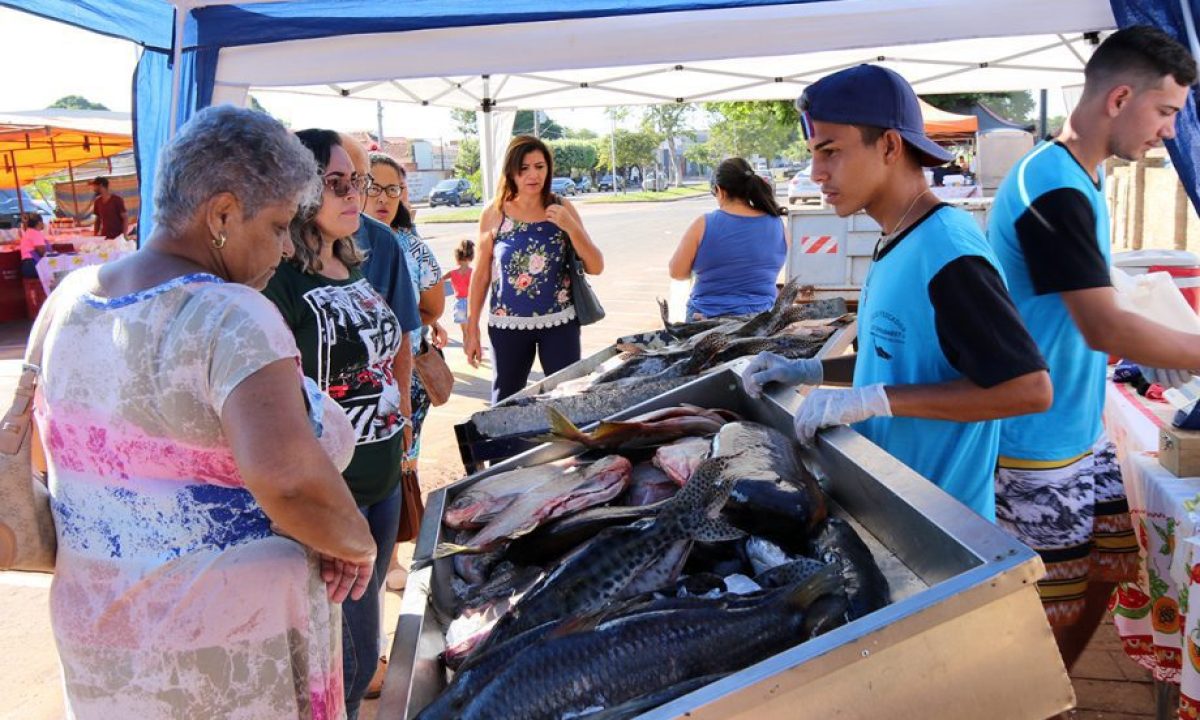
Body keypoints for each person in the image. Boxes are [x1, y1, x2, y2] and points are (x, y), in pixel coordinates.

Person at [35, 105, 374, 718]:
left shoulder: (67, 301)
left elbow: (53, 459)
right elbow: (292, 482)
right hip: (222, 668)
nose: (282, 248)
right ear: (221, 214)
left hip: (104, 653)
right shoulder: (230, 315)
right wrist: (357, 542)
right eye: (275, 226)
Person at [743, 64, 1052, 522]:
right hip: (895, 506)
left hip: (945, 527)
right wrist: (808, 369)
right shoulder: (893, 237)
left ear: (889, 145)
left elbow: (1027, 390)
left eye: (830, 151)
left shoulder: (947, 250)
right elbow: (893, 365)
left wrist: (875, 401)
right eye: (813, 153)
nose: (816, 172)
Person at [988, 25, 1200, 669]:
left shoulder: (1080, 176)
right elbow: (1103, 328)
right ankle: (1031, 703)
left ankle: (1059, 695)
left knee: (1108, 571)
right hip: (1033, 446)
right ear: (1119, 98)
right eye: (1165, 112)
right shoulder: (1052, 189)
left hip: (1078, 426)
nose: (1169, 132)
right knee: (1045, 611)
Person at [262, 129, 410, 720]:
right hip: (331, 498)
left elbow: (390, 351)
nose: (355, 195)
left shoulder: (353, 261)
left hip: (381, 483)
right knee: (340, 663)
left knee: (359, 644)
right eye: (337, 183)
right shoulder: (279, 280)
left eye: (359, 182)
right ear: (296, 191)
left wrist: (400, 435)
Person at [465, 135, 604, 403]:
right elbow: (481, 274)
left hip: (559, 323)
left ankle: (564, 446)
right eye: (524, 168)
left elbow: (596, 266)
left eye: (539, 166)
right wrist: (471, 329)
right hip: (507, 325)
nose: (533, 175)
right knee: (506, 401)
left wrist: (571, 227)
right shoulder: (494, 213)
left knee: (566, 399)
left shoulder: (562, 207)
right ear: (511, 171)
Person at [669, 157, 788, 320]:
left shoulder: (703, 224)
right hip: (760, 323)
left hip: (705, 322)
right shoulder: (777, 224)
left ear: (720, 190)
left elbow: (677, 272)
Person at [445, 239, 475, 343]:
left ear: (457, 257)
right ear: (471, 257)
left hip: (459, 303)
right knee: (473, 330)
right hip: (471, 303)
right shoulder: (473, 272)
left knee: (464, 332)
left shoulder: (452, 272)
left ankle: (466, 349)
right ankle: (474, 350)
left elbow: (439, 281)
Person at [19, 213, 49, 278]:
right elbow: (41, 252)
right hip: (33, 264)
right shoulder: (35, 233)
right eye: (42, 222)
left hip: (27, 266)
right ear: (39, 222)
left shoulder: (28, 232)